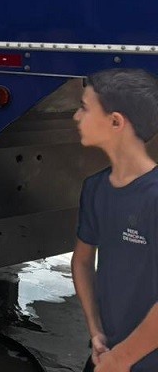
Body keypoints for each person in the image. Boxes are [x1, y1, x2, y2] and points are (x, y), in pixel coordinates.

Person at [71, 69, 158, 372]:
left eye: (84, 107)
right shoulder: (95, 188)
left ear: (116, 121)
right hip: (106, 358)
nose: (76, 117)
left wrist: (121, 360)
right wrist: (96, 332)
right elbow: (82, 261)